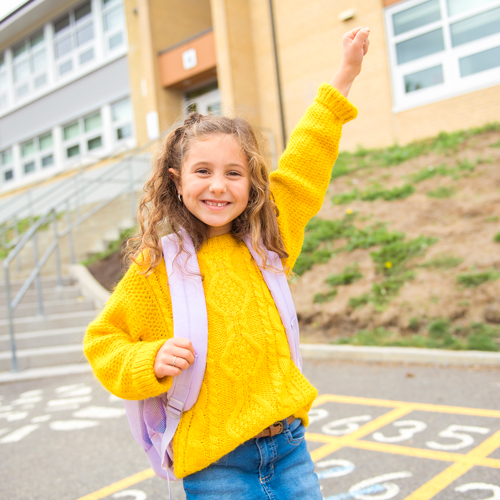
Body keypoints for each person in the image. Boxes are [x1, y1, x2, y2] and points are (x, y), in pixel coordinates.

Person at [84, 26, 370, 499]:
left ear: (252, 182)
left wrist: (345, 75)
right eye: (203, 171)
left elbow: (303, 163)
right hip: (214, 466)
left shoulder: (268, 240)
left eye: (233, 173)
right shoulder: (158, 267)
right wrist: (148, 359)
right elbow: (102, 342)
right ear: (176, 181)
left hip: (290, 451)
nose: (218, 185)